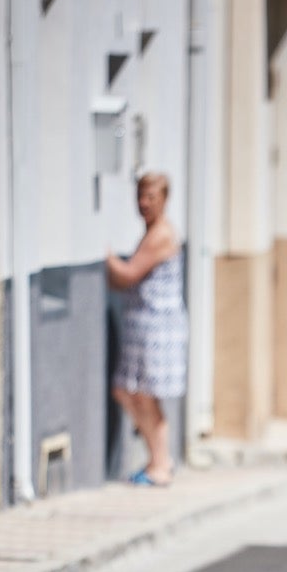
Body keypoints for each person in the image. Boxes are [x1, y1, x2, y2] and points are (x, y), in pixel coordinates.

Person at [106, 172, 188, 487]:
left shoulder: (161, 235)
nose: (143, 203)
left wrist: (106, 255)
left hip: (158, 329)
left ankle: (160, 463)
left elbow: (128, 273)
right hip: (143, 326)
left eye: (151, 197)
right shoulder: (152, 231)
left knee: (145, 395)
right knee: (128, 391)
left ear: (164, 199)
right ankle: (158, 459)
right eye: (140, 195)